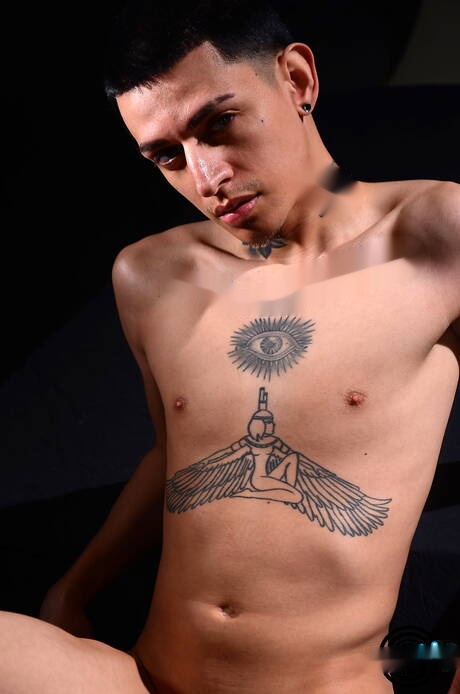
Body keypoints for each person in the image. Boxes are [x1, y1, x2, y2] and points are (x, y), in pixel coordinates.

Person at [1, 0, 459, 692]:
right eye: (167, 156)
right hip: (147, 678)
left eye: (218, 124)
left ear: (297, 80)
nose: (206, 177)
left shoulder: (436, 233)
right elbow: (177, 456)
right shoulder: (150, 274)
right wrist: (73, 588)